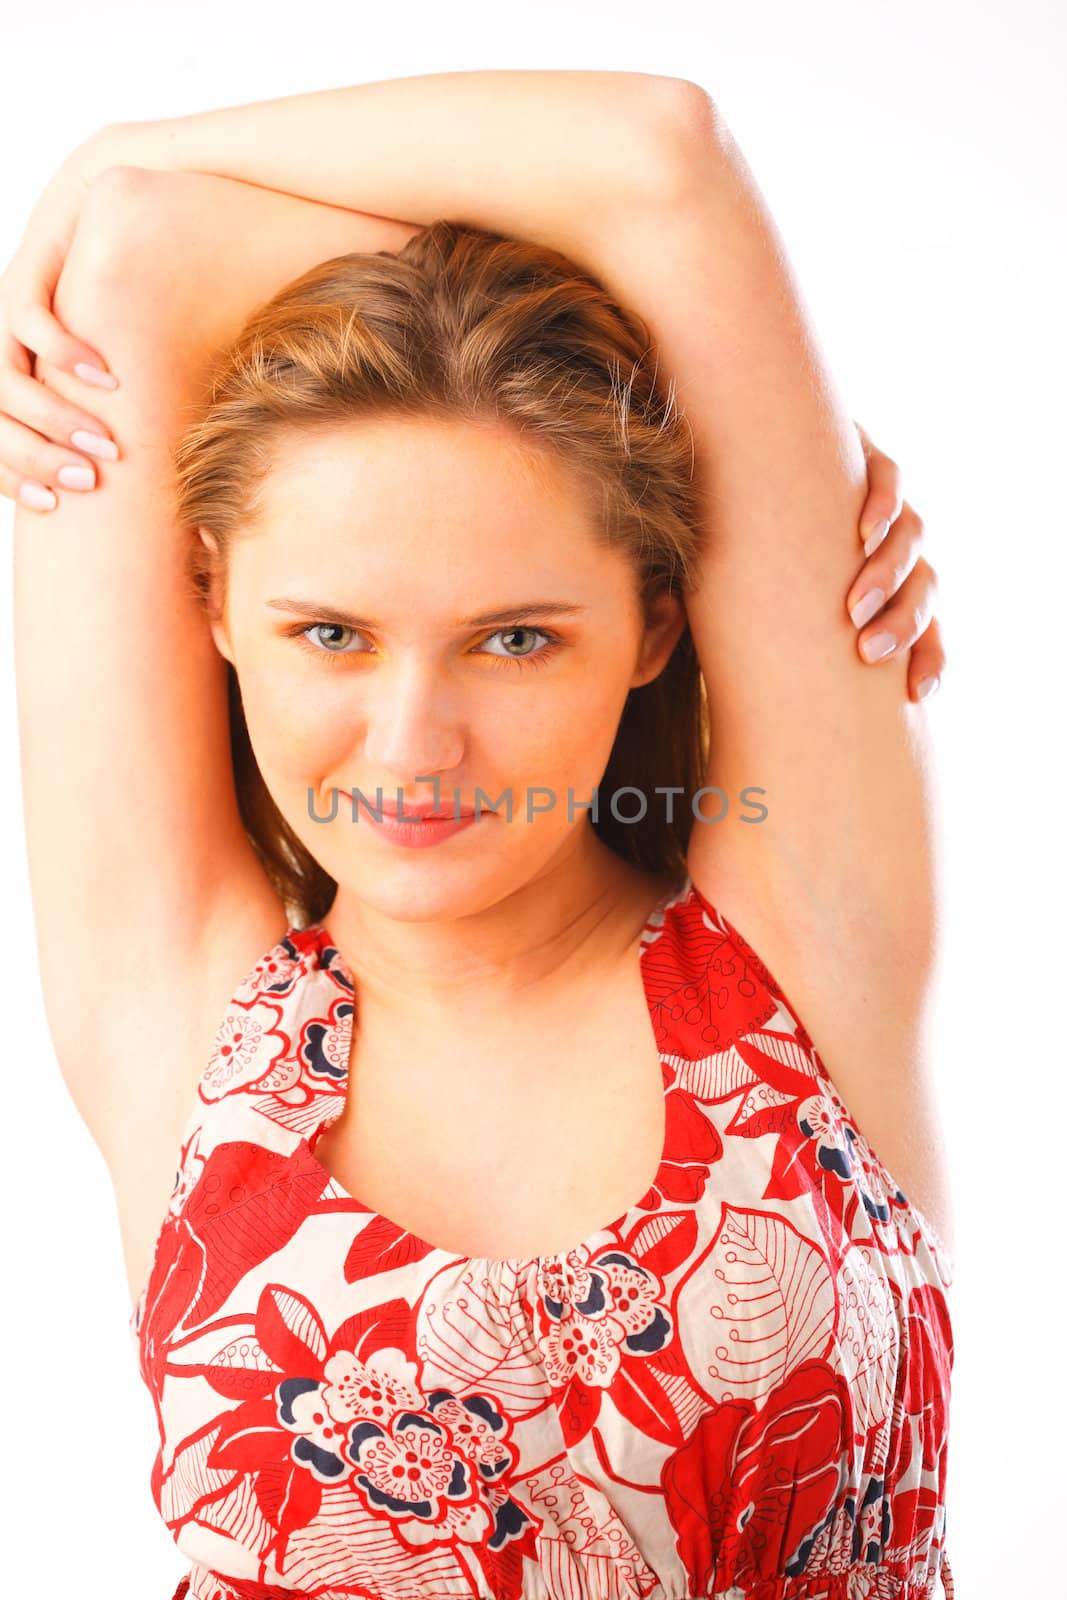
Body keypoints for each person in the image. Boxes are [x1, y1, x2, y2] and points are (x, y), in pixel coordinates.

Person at [3, 70, 953, 1600]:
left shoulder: (798, 947)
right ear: (212, 611)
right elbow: (137, 265)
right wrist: (114, 183)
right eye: (328, 632)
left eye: (515, 640)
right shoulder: (179, 1006)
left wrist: (132, 141)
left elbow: (662, 162)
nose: (411, 748)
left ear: (655, 625)